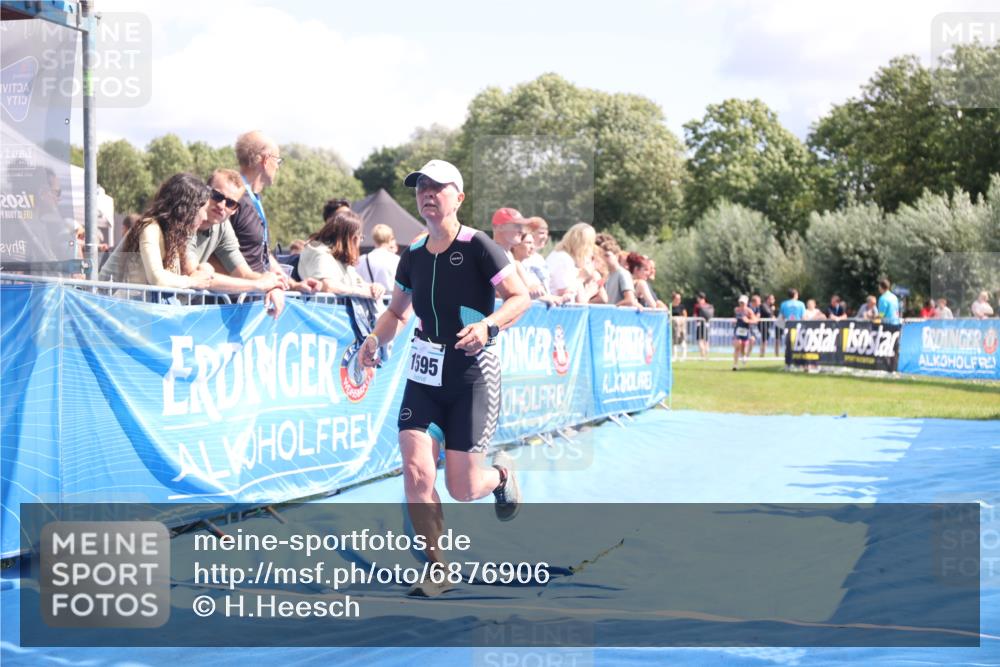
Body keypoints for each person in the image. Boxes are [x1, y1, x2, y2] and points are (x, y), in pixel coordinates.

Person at [359, 160, 530, 597]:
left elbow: (520, 297)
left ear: (459, 196)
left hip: (472, 376)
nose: (427, 195)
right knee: (417, 474)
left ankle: (501, 478)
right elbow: (398, 312)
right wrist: (374, 341)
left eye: (437, 188)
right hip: (424, 377)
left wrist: (489, 326)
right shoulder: (412, 254)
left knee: (463, 487)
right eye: (421, 188)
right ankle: (439, 568)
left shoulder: (480, 246)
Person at [230, 130, 314, 314]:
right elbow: (219, 253)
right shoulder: (232, 198)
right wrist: (266, 284)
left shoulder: (252, 198)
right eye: (278, 160)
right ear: (266, 160)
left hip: (250, 304)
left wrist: (293, 284)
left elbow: (262, 252)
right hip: (229, 306)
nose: (278, 166)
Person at [185, 168, 284, 313]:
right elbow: (196, 275)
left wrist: (272, 283)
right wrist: (258, 285)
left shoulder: (223, 226)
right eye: (217, 196)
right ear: (204, 191)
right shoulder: (186, 217)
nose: (221, 206)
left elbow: (243, 273)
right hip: (150, 306)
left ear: (236, 209)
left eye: (231, 203)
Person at [99, 173, 214, 290]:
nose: (205, 217)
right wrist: (193, 281)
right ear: (188, 208)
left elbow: (174, 279)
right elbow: (157, 278)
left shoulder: (172, 234)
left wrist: (204, 270)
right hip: (108, 303)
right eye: (204, 209)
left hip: (126, 303)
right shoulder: (150, 227)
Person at [298, 210, 386, 299]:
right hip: (321, 311)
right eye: (361, 238)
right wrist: (362, 292)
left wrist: (374, 287)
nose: (359, 243)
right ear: (353, 238)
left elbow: (358, 283)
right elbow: (328, 286)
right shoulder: (320, 253)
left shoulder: (339, 257)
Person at [491, 207, 546, 300]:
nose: (522, 231)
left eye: (521, 226)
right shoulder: (491, 253)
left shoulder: (508, 255)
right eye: (517, 226)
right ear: (500, 227)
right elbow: (497, 292)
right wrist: (528, 292)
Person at [546, 222, 601, 304]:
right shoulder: (563, 259)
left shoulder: (563, 257)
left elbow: (579, 299)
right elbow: (565, 297)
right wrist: (587, 287)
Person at [596, 234, 637, 307]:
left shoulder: (623, 274)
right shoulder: (607, 275)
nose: (604, 259)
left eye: (607, 255)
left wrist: (613, 307)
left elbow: (630, 300)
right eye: (602, 256)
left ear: (617, 255)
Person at [358, 223, 400, 294]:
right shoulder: (397, 260)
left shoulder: (361, 260)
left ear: (374, 239)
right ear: (390, 238)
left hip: (368, 302)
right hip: (390, 301)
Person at [521, 216, 550, 291]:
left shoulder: (539, 258)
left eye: (546, 234)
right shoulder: (519, 259)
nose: (545, 237)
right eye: (541, 233)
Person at [732, 295, 758, 370]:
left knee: (743, 347)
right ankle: (735, 365)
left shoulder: (749, 311)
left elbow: (755, 320)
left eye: (743, 303)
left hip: (746, 331)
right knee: (737, 346)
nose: (741, 304)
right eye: (740, 302)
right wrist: (734, 321)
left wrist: (748, 320)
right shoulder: (736, 310)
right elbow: (735, 318)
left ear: (746, 303)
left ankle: (744, 356)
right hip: (737, 330)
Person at [692, 292, 715, 359]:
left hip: (699, 324)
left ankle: (702, 356)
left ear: (699, 298)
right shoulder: (709, 306)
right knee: (706, 340)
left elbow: (695, 315)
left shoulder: (697, 306)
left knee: (700, 340)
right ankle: (706, 355)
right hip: (707, 324)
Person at [670, 292, 688, 361]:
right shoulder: (670, 306)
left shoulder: (682, 306)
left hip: (681, 326)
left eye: (679, 298)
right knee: (674, 340)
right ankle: (674, 356)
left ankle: (684, 356)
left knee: (682, 339)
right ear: (674, 299)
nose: (679, 300)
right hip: (673, 326)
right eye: (677, 298)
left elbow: (685, 315)